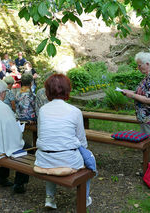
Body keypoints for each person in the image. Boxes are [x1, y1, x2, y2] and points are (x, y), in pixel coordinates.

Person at [34, 74, 92, 209]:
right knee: (91, 161)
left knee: (51, 159)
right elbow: (82, 141)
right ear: (67, 90)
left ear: (47, 91)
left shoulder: (42, 110)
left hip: (43, 159)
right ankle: (85, 197)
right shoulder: (75, 111)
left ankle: (50, 198)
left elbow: (42, 134)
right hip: (68, 160)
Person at [123, 52, 150, 168]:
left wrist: (132, 96)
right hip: (146, 115)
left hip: (149, 116)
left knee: (149, 141)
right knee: (147, 139)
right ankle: (148, 162)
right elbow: (144, 93)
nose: (138, 68)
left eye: (139, 65)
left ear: (147, 64)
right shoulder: (149, 76)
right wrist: (130, 92)